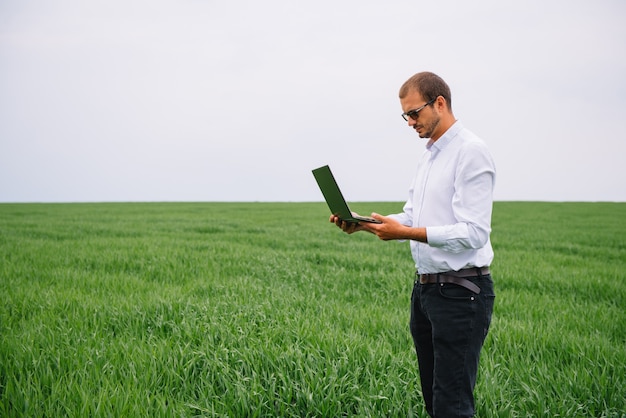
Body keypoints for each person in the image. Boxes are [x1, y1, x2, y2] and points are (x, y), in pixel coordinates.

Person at [330, 71, 496, 418]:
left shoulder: (471, 152)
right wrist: (366, 224)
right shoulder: (429, 156)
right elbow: (412, 215)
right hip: (425, 293)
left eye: (414, 113)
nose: (409, 122)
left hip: (461, 292)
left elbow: (473, 232)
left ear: (440, 103)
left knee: (453, 405)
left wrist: (404, 233)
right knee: (435, 402)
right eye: (404, 115)